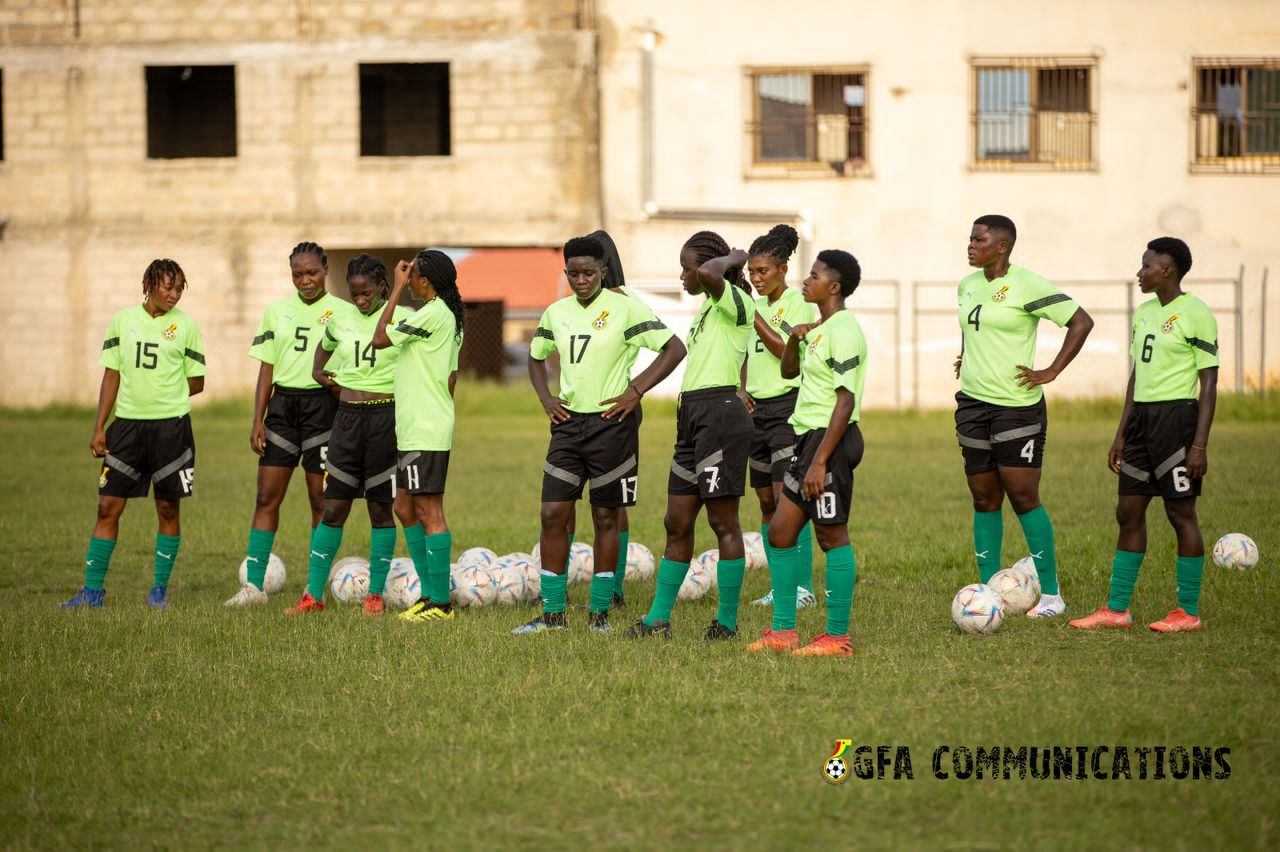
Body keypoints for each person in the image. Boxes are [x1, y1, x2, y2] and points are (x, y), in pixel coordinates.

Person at [514, 235, 685, 634]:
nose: (581, 280)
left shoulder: (625, 308)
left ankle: (599, 615)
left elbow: (674, 348)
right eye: (573, 273)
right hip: (569, 425)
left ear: (603, 271)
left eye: (588, 272)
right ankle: (553, 615)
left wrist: (635, 390)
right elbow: (536, 358)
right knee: (552, 513)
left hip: (612, 425)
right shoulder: (556, 312)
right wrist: (546, 399)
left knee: (606, 516)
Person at [1071, 237, 1218, 633]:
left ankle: (1187, 612)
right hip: (1141, 423)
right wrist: (1121, 432)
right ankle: (1117, 609)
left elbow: (1208, 384)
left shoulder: (1196, 313)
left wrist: (1199, 444)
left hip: (1177, 421)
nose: (1140, 273)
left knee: (1180, 513)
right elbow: (1137, 375)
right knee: (1128, 513)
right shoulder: (1145, 313)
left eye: (1146, 266)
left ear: (1167, 270)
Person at [954, 214, 1094, 618]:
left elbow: (1081, 322)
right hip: (972, 405)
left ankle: (1051, 594)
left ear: (1001, 246)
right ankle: (987, 590)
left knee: (1022, 495)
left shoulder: (1028, 284)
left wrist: (1052, 370)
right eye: (969, 238)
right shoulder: (967, 286)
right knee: (983, 497)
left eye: (978, 240)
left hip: (1016, 408)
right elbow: (972, 326)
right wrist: (968, 355)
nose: (970, 245)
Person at [627, 231, 755, 641]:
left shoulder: (736, 302)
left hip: (720, 417)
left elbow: (710, 271)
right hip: (692, 417)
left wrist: (734, 257)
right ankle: (656, 621)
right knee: (676, 521)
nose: (684, 276)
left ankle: (727, 624)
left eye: (687, 269)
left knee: (723, 521)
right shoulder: (706, 310)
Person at [62, 260, 205, 609]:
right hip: (126, 428)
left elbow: (197, 382)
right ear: (148, 284)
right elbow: (111, 375)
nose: (172, 295)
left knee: (168, 508)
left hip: (172, 428)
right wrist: (100, 426)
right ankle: (92, 592)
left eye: (178, 289)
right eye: (166, 287)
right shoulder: (122, 321)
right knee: (107, 506)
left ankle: (159, 591)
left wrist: (164, 393)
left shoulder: (186, 326)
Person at [751, 250, 867, 656]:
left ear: (833, 287)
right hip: (807, 440)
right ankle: (783, 632)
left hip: (830, 441)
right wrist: (796, 340)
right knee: (782, 533)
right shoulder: (819, 329)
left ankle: (837, 637)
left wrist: (820, 461)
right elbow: (788, 373)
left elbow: (846, 401)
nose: (806, 280)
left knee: (831, 534)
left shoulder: (845, 330)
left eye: (814, 275)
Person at [284, 254, 414, 615]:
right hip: (345, 421)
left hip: (385, 419)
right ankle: (313, 595)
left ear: (382, 288)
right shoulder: (339, 318)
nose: (360, 301)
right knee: (334, 506)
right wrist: (323, 377)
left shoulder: (401, 319)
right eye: (354, 294)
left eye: (366, 293)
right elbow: (319, 359)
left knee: (380, 508)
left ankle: (374, 596)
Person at [226, 242, 353, 606]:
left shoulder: (344, 312)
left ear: (325, 269)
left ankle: (314, 589)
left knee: (321, 502)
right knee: (267, 497)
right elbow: (266, 367)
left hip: (324, 408)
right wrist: (258, 418)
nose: (305, 280)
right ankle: (253, 588)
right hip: (282, 409)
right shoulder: (276, 312)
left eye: (311, 272)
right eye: (298, 274)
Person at [371, 249, 465, 623]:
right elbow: (452, 377)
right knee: (404, 507)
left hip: (425, 428)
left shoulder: (433, 313)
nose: (408, 279)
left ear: (425, 281)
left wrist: (393, 289)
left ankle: (440, 604)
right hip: (417, 426)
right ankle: (429, 594)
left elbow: (380, 338)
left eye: (412, 275)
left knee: (428, 510)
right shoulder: (447, 316)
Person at [737, 224, 819, 610]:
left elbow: (783, 351)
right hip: (754, 414)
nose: (755, 279)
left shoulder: (798, 306)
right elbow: (744, 354)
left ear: (783, 269)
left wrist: (754, 316)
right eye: (751, 273)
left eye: (763, 272)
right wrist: (741, 389)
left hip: (788, 408)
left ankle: (802, 588)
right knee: (766, 502)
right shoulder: (755, 306)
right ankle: (780, 586)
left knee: (789, 500)